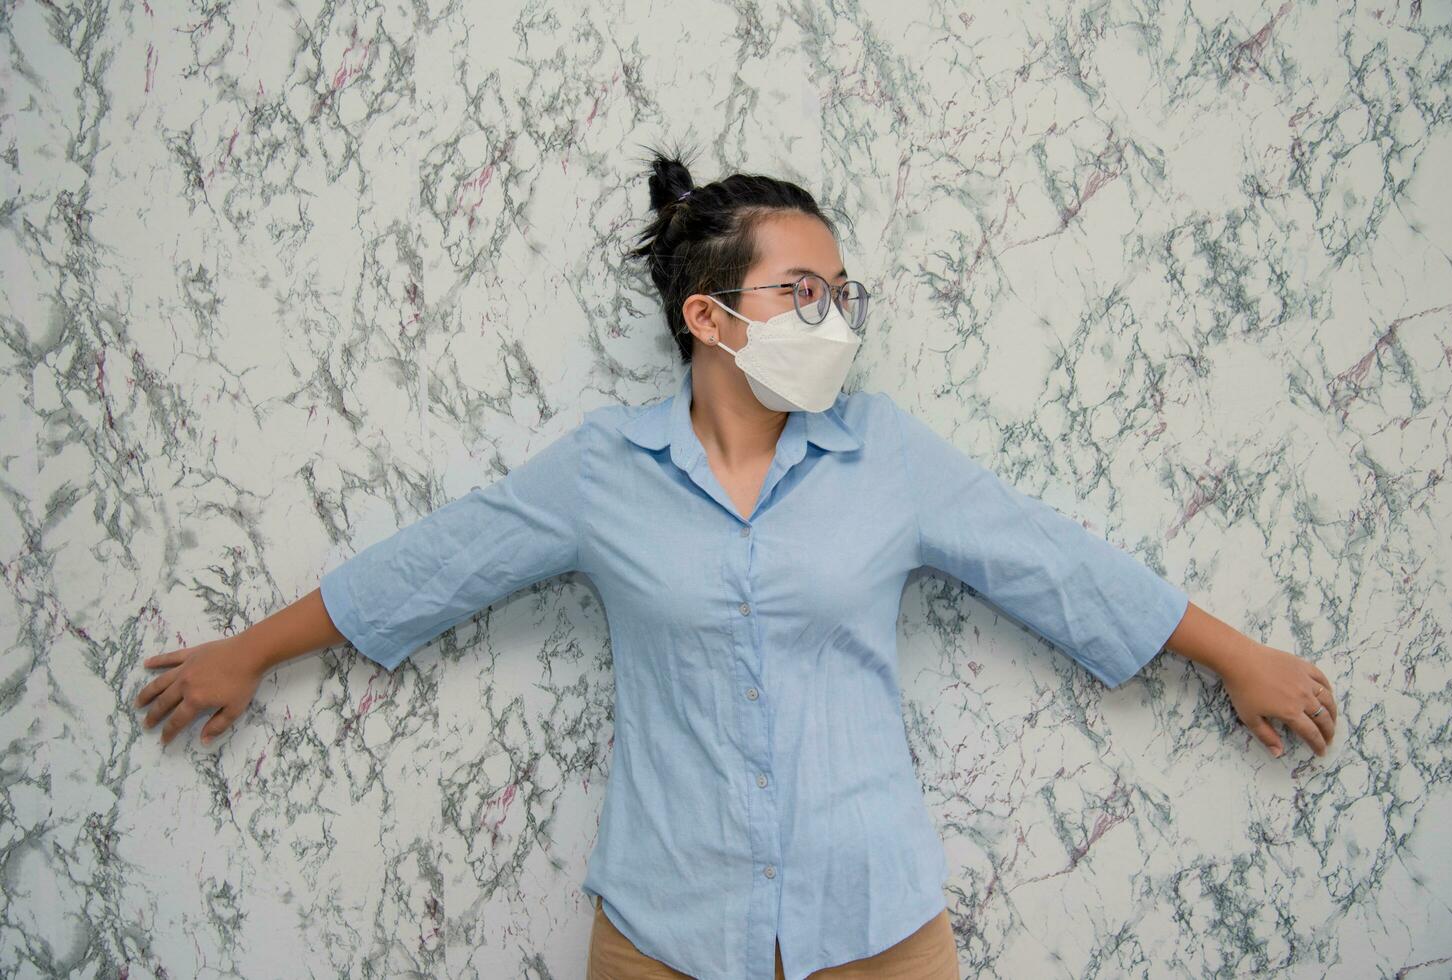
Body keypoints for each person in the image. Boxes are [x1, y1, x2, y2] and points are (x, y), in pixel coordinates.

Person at [133, 146, 1338, 980]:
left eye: (842, 293)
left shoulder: (886, 456)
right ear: (709, 319)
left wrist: (1237, 657)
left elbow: (1053, 561)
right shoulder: (605, 469)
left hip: (875, 921)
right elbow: (444, 561)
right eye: (800, 291)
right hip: (664, 924)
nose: (835, 317)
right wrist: (247, 652)